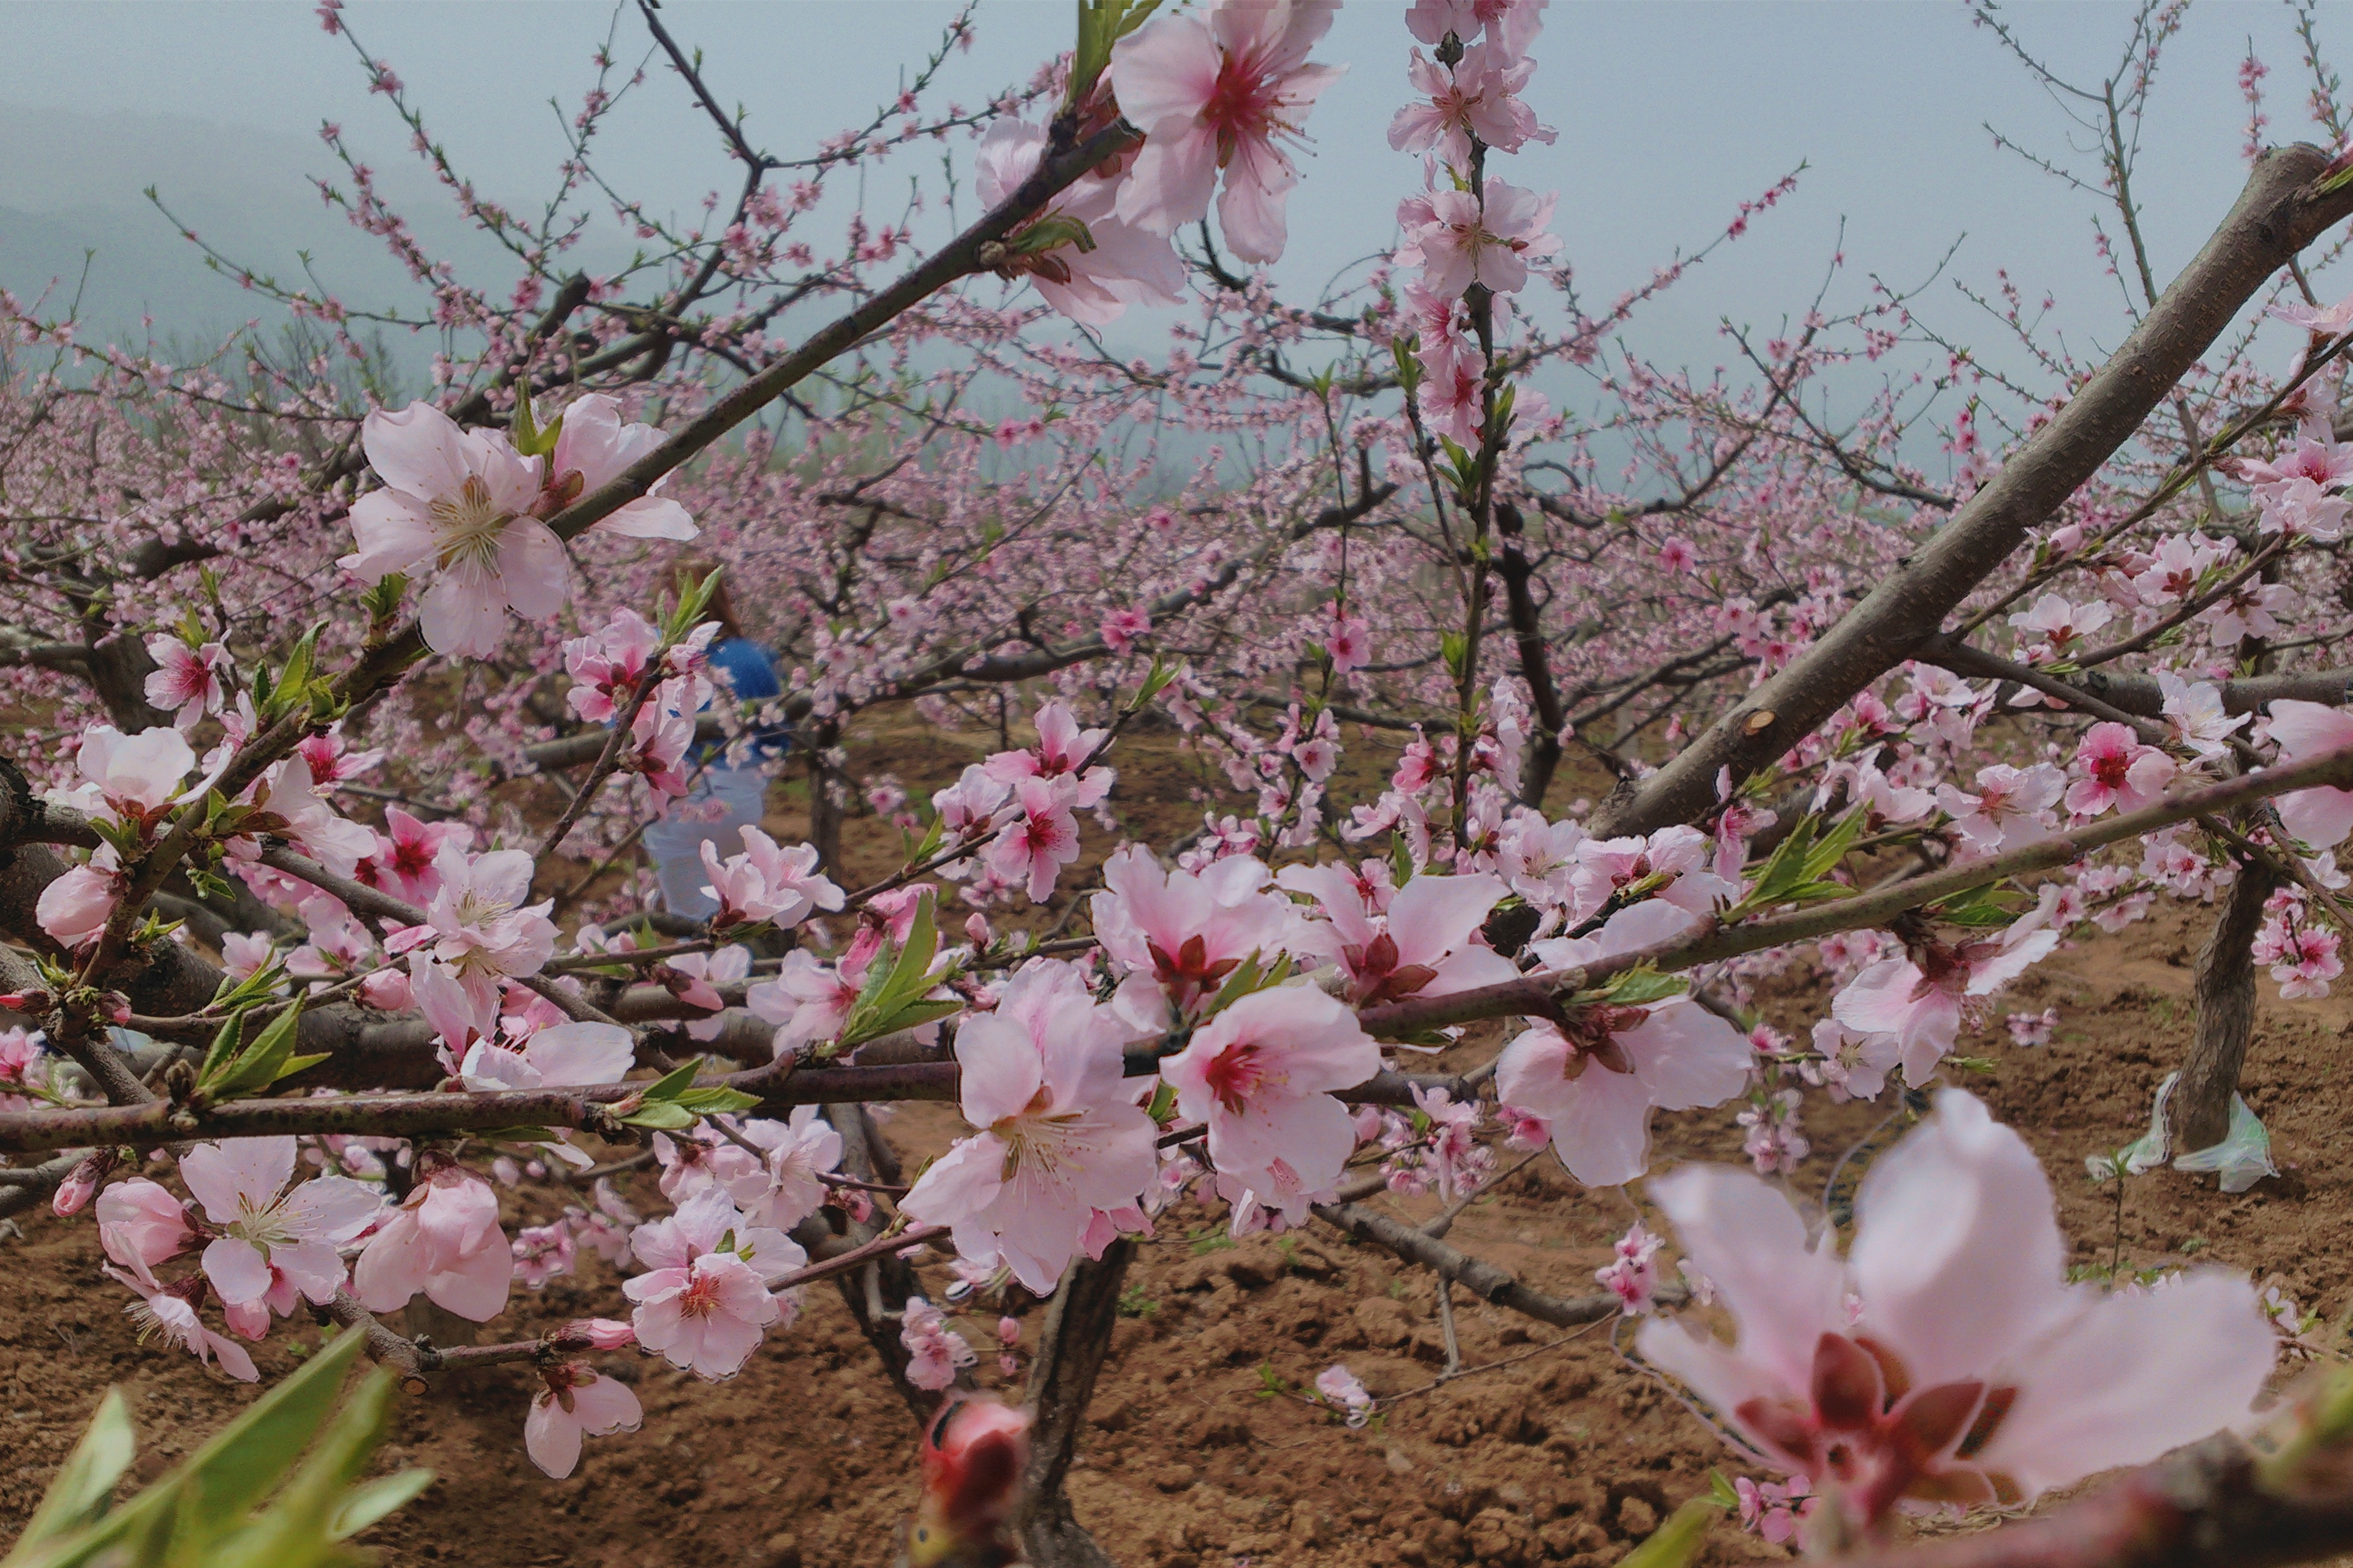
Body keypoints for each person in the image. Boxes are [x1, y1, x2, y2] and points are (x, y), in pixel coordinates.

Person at [641, 565, 791, 919]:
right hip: (741, 797)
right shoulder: (755, 656)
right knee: (739, 906)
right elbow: (778, 739)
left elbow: (622, 736)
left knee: (688, 917)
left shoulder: (651, 658)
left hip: (671, 800)